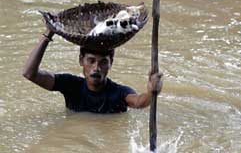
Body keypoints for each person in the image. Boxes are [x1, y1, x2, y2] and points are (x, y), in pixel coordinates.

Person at [22, 28, 163, 113]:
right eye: (91, 61)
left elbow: (139, 102)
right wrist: (48, 34)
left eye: (103, 62)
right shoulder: (70, 85)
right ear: (81, 60)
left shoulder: (119, 92)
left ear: (111, 64)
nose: (96, 68)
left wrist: (151, 92)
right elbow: (29, 73)